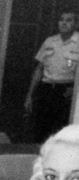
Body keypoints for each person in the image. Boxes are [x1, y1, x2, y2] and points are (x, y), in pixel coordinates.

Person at [25, 10, 79, 144]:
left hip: (66, 91)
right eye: (61, 19)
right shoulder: (50, 41)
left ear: (76, 24)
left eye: (69, 20)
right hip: (46, 89)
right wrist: (30, 95)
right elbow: (39, 69)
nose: (64, 23)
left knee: (60, 132)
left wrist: (76, 90)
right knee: (40, 129)